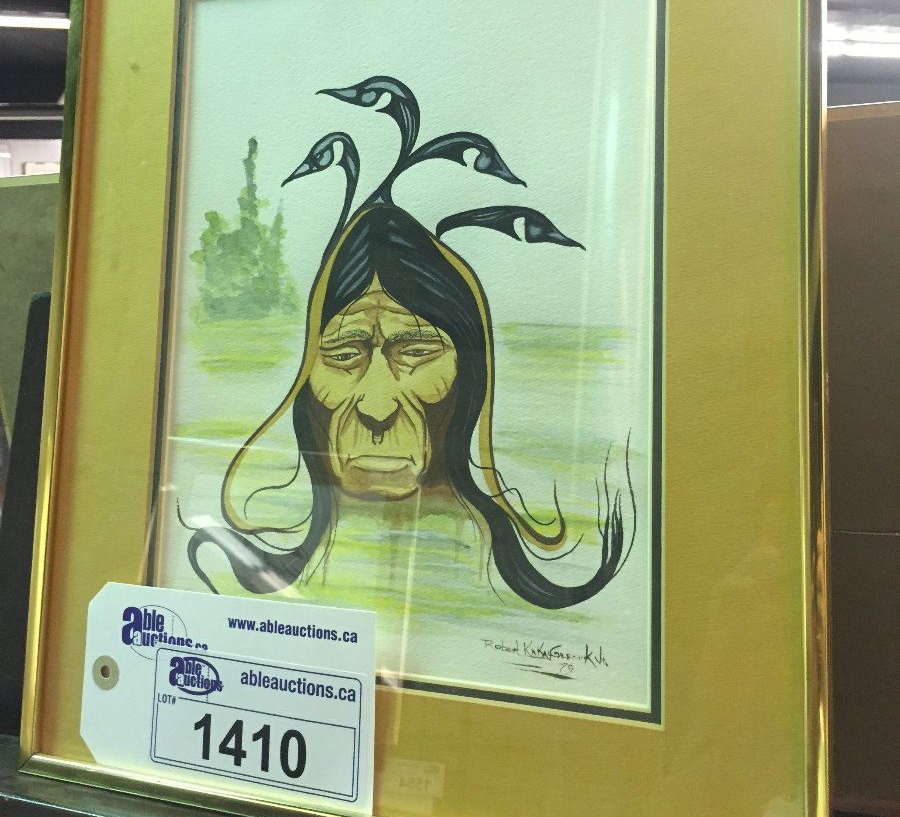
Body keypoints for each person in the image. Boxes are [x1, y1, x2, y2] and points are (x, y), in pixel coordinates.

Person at [186, 78, 634, 607]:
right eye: (344, 355)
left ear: (468, 376)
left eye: (417, 353)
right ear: (308, 382)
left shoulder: (498, 593)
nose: (377, 407)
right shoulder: (260, 586)